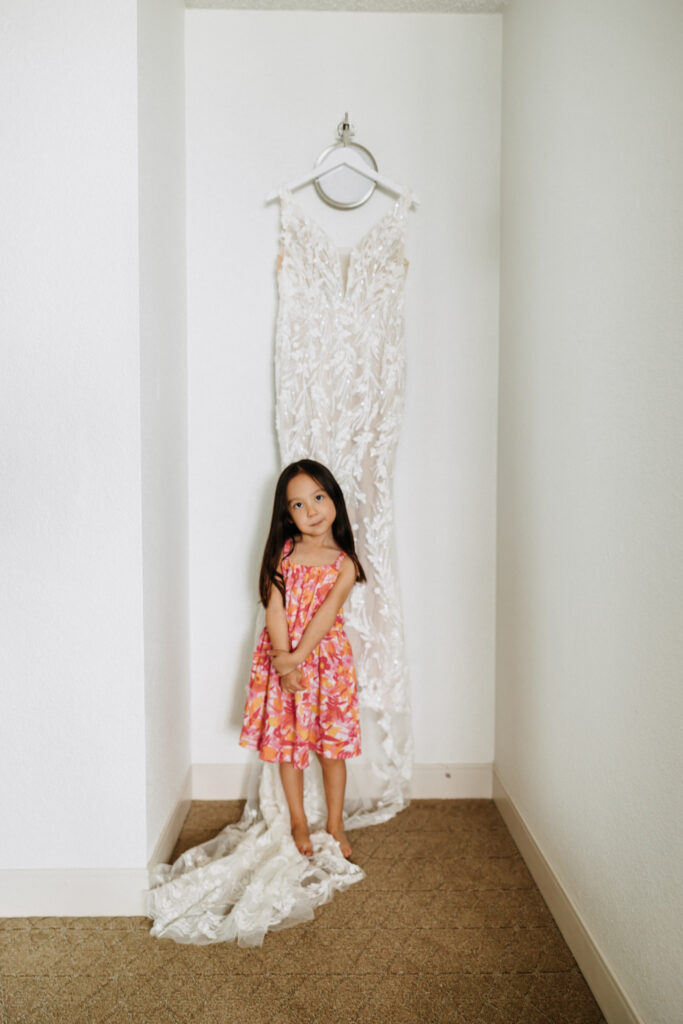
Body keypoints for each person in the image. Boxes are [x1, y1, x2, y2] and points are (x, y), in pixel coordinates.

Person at [239, 459, 366, 860]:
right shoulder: (286, 552)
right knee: (290, 743)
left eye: (318, 497)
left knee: (331, 750)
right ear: (287, 516)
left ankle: (335, 821)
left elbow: (326, 616)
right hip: (283, 657)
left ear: (334, 500)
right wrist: (285, 662)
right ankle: (297, 819)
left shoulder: (344, 563)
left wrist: (299, 658)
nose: (311, 510)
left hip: (326, 664)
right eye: (297, 504)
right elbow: (274, 608)